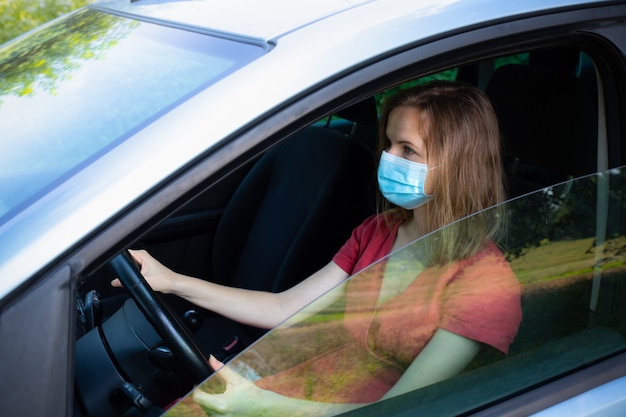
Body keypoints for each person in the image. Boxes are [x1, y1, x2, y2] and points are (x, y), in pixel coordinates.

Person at [113, 80, 522, 416]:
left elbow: (399, 410)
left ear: (457, 166)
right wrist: (171, 281)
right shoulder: (378, 230)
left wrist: (261, 406)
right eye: (389, 144)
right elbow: (282, 309)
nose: (387, 157)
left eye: (407, 150)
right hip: (305, 389)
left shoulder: (486, 285)